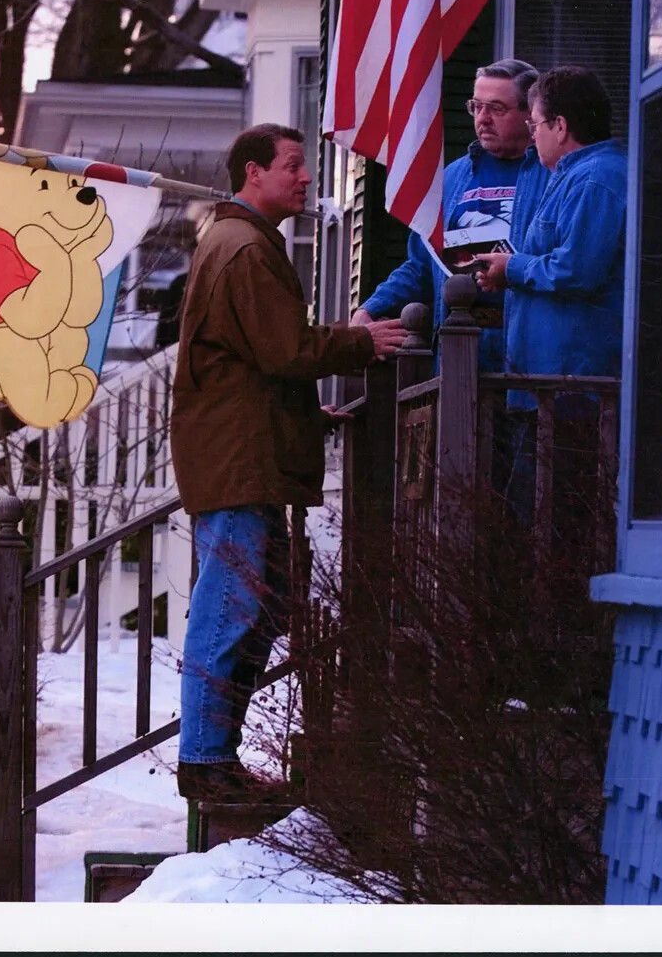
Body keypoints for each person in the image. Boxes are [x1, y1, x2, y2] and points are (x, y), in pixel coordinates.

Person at [170, 123, 408, 801]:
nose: (307, 178)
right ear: (253, 173)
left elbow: (248, 363)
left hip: (244, 454)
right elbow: (285, 350)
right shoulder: (243, 249)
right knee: (232, 606)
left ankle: (214, 755)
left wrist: (308, 413)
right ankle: (206, 762)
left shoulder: (237, 242)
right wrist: (363, 341)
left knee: (263, 605)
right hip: (238, 464)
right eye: (294, 166)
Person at [476, 66, 627, 551]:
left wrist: (514, 269)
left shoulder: (598, 181)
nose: (531, 135)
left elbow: (578, 269)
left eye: (535, 125)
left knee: (556, 535)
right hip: (543, 388)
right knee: (531, 526)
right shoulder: (572, 177)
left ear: (560, 126)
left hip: (571, 392)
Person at [350, 59, 549, 369]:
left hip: (527, 349)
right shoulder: (453, 178)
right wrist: (370, 308)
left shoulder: (552, 174)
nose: (482, 119)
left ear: (529, 115)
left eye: (496, 109)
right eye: (476, 106)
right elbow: (421, 263)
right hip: (459, 349)